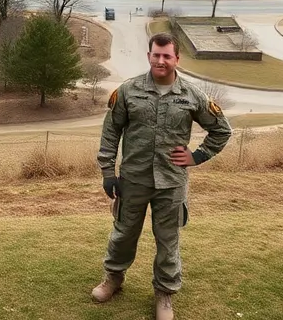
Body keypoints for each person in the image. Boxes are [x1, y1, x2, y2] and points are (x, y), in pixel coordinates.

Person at [93, 32, 232, 320]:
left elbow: (222, 130)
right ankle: (114, 279)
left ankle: (165, 295)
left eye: (167, 55)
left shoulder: (193, 96)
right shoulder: (128, 91)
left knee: (168, 242)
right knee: (123, 234)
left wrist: (197, 156)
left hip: (171, 183)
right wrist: (108, 171)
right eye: (156, 54)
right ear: (149, 56)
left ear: (176, 59)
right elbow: (111, 132)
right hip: (132, 179)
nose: (161, 60)